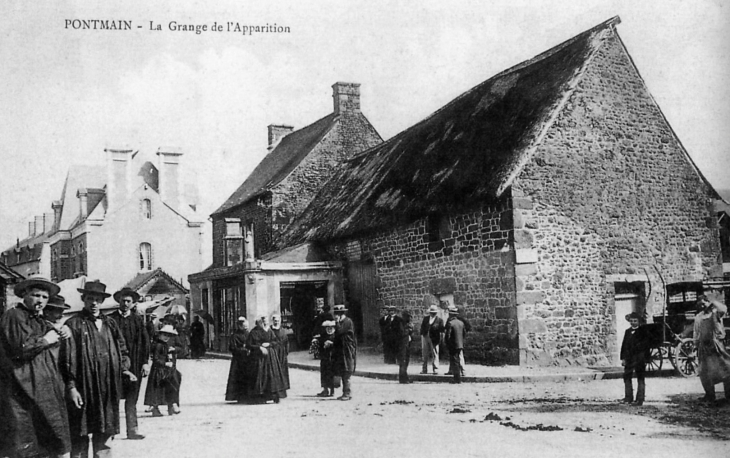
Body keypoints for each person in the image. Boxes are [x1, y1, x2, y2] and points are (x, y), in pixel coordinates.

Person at [0, 275, 71, 458]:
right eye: (36, 295)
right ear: (25, 294)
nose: (40, 301)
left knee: (47, 440)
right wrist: (46, 340)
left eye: (44, 297)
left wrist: (62, 332)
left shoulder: (39, 320)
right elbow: (20, 349)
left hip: (40, 388)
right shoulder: (14, 315)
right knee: (25, 441)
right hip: (22, 388)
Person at [61, 280, 134, 458]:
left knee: (105, 432)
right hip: (84, 387)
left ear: (102, 301)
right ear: (83, 299)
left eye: (97, 299)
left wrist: (124, 368)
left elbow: (123, 350)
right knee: (80, 434)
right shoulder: (74, 324)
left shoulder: (110, 324)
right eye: (90, 298)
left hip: (107, 388)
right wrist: (72, 387)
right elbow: (68, 360)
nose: (94, 303)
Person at [108, 287, 150, 440]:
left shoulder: (138, 320)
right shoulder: (110, 320)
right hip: (115, 365)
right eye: (123, 301)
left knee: (132, 398)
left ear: (133, 303)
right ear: (118, 301)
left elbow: (145, 343)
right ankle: (110, 430)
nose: (125, 304)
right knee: (113, 397)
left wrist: (145, 363)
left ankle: (132, 430)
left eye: (128, 301)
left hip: (136, 363)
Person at [693, 295, 730, 405]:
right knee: (705, 372)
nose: (702, 306)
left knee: (725, 369)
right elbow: (696, 332)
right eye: (700, 304)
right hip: (704, 347)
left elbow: (724, 308)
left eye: (704, 303)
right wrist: (695, 345)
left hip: (717, 346)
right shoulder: (699, 317)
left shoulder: (716, 312)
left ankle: (729, 395)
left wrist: (713, 302)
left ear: (708, 302)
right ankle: (709, 395)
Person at [246, 316, 287, 403]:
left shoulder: (269, 331)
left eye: (265, 323)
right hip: (258, 358)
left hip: (271, 357)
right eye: (262, 323)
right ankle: (260, 396)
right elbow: (249, 345)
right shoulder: (253, 332)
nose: (264, 324)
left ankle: (274, 395)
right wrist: (259, 347)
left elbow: (275, 341)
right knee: (260, 376)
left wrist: (269, 344)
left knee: (272, 375)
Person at [144, 324, 182, 416]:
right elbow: (156, 358)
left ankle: (171, 405)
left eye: (168, 335)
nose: (166, 337)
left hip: (167, 369)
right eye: (164, 335)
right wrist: (164, 363)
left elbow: (180, 347)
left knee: (173, 384)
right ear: (160, 334)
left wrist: (173, 350)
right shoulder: (158, 345)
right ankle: (155, 407)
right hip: (159, 370)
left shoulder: (166, 343)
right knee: (157, 389)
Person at [620, 312, 649, 406]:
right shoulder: (627, 331)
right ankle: (628, 397)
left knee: (640, 378)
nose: (633, 323)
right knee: (626, 376)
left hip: (639, 359)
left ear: (639, 321)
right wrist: (623, 358)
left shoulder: (643, 332)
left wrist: (646, 359)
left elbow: (646, 347)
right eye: (631, 321)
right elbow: (624, 345)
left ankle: (639, 399)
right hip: (629, 359)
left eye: (635, 321)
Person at [332, 304, 357, 400]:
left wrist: (337, 323)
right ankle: (344, 393)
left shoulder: (347, 322)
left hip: (347, 350)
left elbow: (340, 331)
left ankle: (348, 393)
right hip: (340, 350)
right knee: (342, 370)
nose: (336, 316)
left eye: (338, 314)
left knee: (347, 371)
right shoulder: (340, 322)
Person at [225, 317, 250, 402]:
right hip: (238, 360)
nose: (245, 328)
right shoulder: (234, 336)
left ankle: (247, 395)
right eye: (244, 326)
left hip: (247, 359)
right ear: (239, 326)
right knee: (238, 378)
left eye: (246, 326)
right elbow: (232, 348)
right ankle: (238, 396)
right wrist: (243, 349)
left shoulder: (248, 334)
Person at [419, 304, 444, 375]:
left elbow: (442, 330)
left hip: (434, 339)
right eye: (432, 313)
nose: (433, 314)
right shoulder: (426, 319)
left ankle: (435, 369)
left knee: (435, 353)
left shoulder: (439, 320)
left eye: (434, 313)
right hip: (425, 337)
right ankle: (424, 369)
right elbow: (422, 327)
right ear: (429, 313)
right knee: (424, 353)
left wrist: (440, 339)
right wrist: (423, 334)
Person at [316, 320, 338, 397]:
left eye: (331, 327)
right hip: (325, 357)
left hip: (333, 357)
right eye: (327, 328)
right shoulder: (323, 336)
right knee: (324, 373)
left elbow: (338, 344)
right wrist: (323, 345)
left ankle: (332, 390)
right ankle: (325, 390)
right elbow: (319, 345)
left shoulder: (335, 335)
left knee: (332, 374)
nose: (329, 329)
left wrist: (331, 344)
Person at [270, 314, 290, 397]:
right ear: (273, 321)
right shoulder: (270, 330)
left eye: (278, 320)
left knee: (283, 370)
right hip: (274, 352)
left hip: (282, 353)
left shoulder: (282, 330)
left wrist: (286, 351)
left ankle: (283, 390)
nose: (276, 322)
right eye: (275, 320)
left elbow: (287, 341)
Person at [444, 305, 465, 384]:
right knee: (458, 360)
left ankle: (457, 379)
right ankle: (457, 378)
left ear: (451, 315)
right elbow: (464, 334)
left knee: (454, 361)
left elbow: (448, 336)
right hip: (460, 344)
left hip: (453, 345)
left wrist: (447, 344)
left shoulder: (450, 323)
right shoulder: (461, 323)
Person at [398, 311, 413, 384]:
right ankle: (402, 378)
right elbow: (402, 333)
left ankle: (405, 376)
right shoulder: (401, 324)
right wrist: (408, 330)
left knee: (406, 361)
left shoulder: (407, 324)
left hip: (407, 344)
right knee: (403, 361)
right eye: (408, 317)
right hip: (402, 345)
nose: (410, 318)